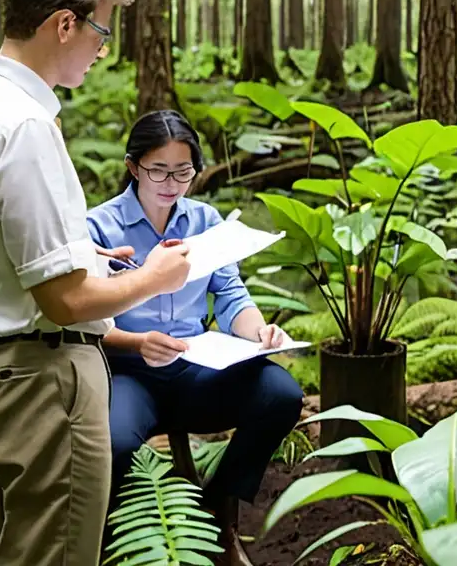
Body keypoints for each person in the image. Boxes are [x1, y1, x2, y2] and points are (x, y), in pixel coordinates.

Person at [0, 0, 193, 566]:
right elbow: (66, 299)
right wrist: (156, 277)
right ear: (63, 24)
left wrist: (96, 261)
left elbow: (6, 256)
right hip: (45, 385)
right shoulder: (23, 126)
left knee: (5, 553)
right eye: (100, 31)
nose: (104, 48)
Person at [86, 109, 304, 562]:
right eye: (158, 170)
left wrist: (259, 331)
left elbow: (229, 294)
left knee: (280, 393)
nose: (171, 182)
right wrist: (136, 343)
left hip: (197, 368)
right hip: (129, 373)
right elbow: (90, 320)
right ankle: (115, 542)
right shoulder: (99, 228)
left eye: (183, 171)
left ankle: (218, 512)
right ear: (132, 167)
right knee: (114, 442)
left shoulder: (204, 219)